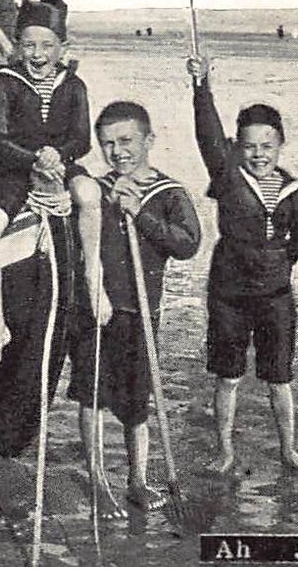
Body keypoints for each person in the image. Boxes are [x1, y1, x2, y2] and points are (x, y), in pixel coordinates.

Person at [187, 53, 298, 473]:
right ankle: (225, 450)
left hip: (276, 297)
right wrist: (200, 86)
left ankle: (288, 450)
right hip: (228, 294)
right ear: (236, 147)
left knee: (279, 378)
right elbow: (207, 134)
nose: (258, 154)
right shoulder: (227, 176)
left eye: (267, 146)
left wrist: (280, 261)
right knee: (227, 376)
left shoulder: (292, 188)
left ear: (280, 145)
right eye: (249, 147)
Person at [68, 101, 201, 517]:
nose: (117, 152)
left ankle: (138, 480)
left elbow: (188, 244)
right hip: (97, 309)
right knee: (91, 394)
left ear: (149, 141)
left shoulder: (168, 192)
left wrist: (140, 214)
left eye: (126, 141)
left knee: (137, 400)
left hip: (142, 312)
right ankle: (97, 479)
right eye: (107, 144)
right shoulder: (97, 190)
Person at [0, 0, 99, 371]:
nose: (37, 54)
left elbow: (82, 138)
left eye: (47, 46)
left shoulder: (74, 86)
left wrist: (57, 156)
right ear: (17, 47)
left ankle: (92, 274)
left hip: (58, 165)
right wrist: (33, 159)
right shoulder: (4, 81)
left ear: (63, 48)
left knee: (89, 194)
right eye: (28, 45)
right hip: (15, 172)